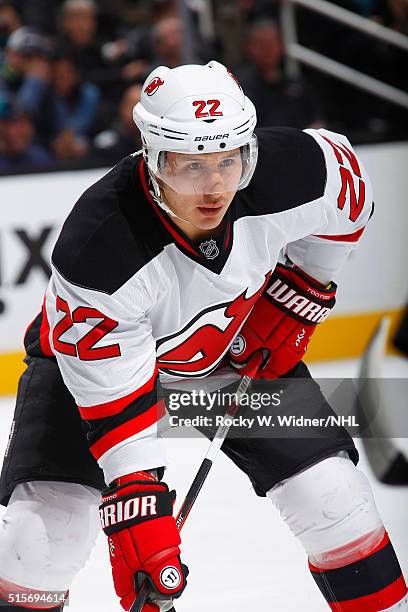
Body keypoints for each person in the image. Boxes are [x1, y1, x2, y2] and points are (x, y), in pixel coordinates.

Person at [0, 61, 406, 612]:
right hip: (85, 383)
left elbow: (349, 195)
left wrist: (302, 286)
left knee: (336, 497)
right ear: (154, 157)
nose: (214, 185)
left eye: (227, 160)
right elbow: (116, 408)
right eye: (191, 166)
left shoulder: (290, 171)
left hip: (231, 356)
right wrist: (137, 504)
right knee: (43, 540)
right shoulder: (99, 249)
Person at [238, 19, 324, 129]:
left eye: (271, 43)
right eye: (261, 44)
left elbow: (316, 120)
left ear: (281, 45)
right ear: (248, 48)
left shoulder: (297, 84)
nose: (267, 50)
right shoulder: (241, 88)